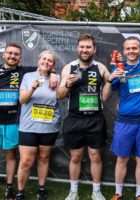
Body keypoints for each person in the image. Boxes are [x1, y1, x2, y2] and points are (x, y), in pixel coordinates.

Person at [0, 43, 57, 200]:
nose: (12, 56)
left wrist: (53, 73)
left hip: (14, 121)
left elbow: (45, 65)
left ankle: (10, 189)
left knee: (11, 155)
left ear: (20, 57)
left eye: (16, 54)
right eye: (9, 53)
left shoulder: (25, 72)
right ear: (3, 55)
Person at [102, 36, 140, 200]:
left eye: (134, 48)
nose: (131, 51)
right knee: (122, 159)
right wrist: (110, 78)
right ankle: (118, 193)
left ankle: (139, 195)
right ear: (124, 51)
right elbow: (105, 97)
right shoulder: (120, 70)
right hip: (125, 122)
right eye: (128, 48)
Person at [57, 33, 110, 200]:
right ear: (77, 48)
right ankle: (73, 191)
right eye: (82, 47)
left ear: (94, 49)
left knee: (95, 156)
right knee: (75, 156)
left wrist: (110, 81)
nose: (85, 50)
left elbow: (107, 95)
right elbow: (59, 95)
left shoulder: (100, 67)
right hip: (75, 119)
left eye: (88, 47)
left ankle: (96, 191)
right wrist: (67, 84)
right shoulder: (68, 67)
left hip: (95, 119)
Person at [15, 50, 60, 200]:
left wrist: (53, 74)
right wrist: (32, 88)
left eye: (50, 60)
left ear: (53, 65)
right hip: (29, 126)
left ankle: (41, 189)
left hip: (49, 127)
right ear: (38, 61)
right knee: (26, 161)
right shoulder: (28, 77)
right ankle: (20, 192)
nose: (46, 62)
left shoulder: (57, 78)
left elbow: (62, 96)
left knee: (43, 159)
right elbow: (22, 100)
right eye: (44, 59)